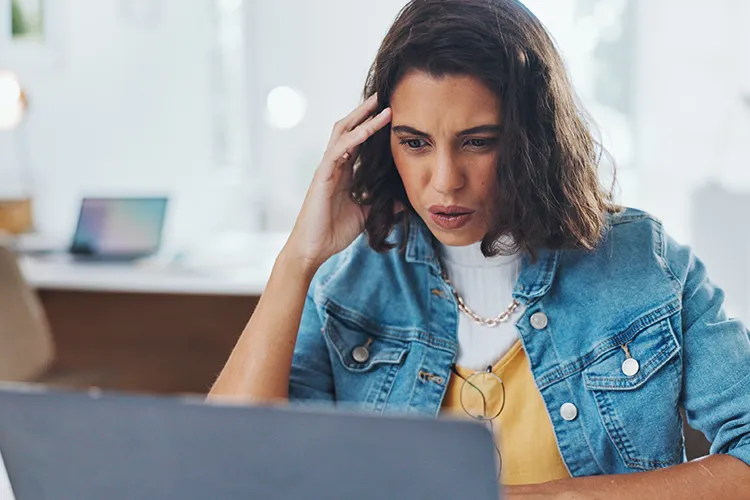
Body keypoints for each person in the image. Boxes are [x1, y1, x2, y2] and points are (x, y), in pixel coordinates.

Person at [209, 0, 750, 496]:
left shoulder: (644, 263)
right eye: (415, 142)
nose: (444, 182)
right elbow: (228, 469)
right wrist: (296, 260)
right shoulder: (348, 287)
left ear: (533, 140)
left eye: (478, 142)